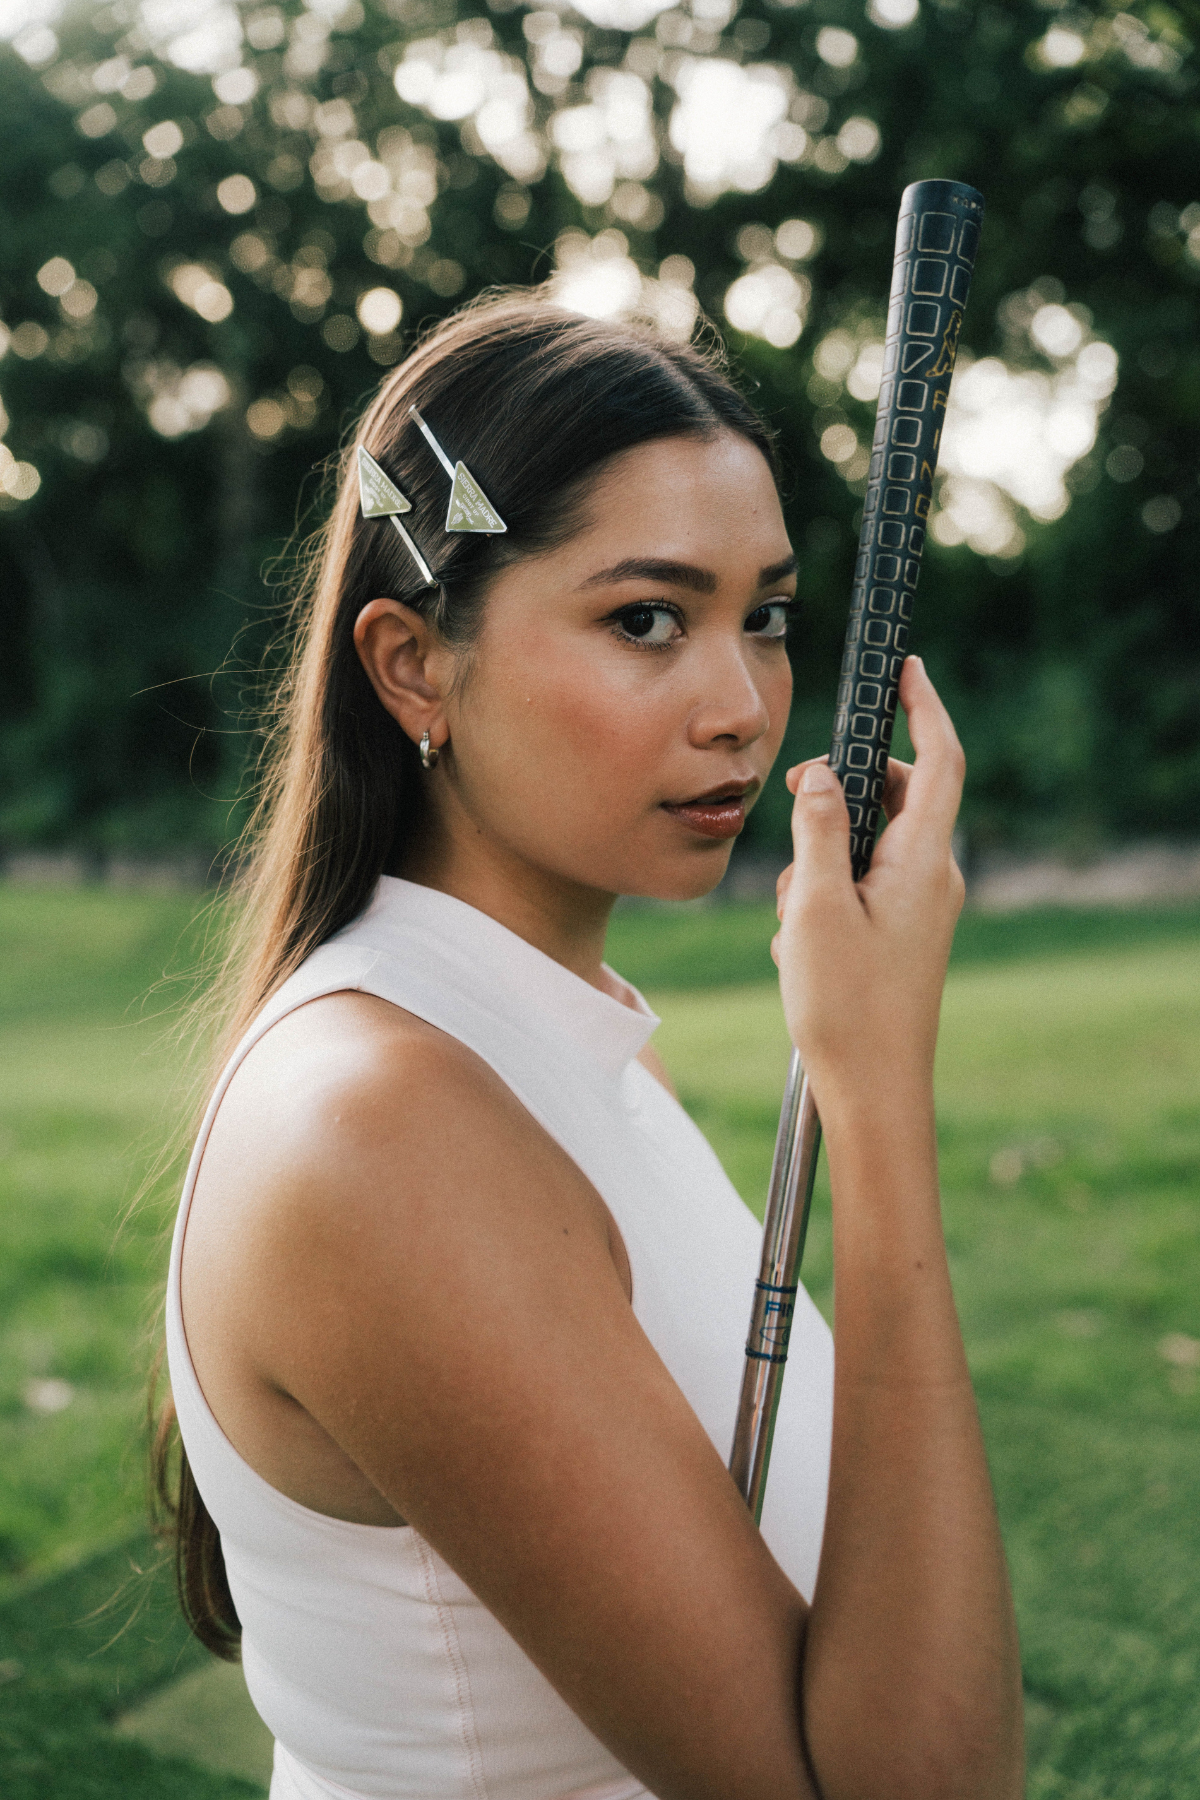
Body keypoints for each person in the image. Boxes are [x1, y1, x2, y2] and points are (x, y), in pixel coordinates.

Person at [157, 290, 1023, 1800]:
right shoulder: (382, 1128)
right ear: (414, 665)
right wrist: (876, 1101)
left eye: (762, 615)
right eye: (646, 620)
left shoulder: (566, 1059)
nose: (745, 707)